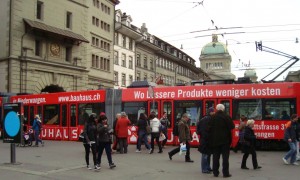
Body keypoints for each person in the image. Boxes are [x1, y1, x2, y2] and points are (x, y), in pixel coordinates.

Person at [208, 104, 234, 178]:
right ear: (223, 109)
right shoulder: (227, 117)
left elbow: (208, 128)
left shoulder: (212, 117)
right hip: (225, 141)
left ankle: (215, 172)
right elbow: (232, 126)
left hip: (215, 141)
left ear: (216, 109)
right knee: (225, 158)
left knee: (215, 157)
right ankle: (225, 173)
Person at [197, 107, 214, 174]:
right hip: (205, 140)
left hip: (204, 139)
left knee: (207, 154)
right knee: (205, 155)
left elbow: (198, 130)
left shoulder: (203, 119)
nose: (214, 113)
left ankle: (207, 167)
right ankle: (204, 168)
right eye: (213, 112)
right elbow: (205, 131)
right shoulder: (207, 119)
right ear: (210, 112)